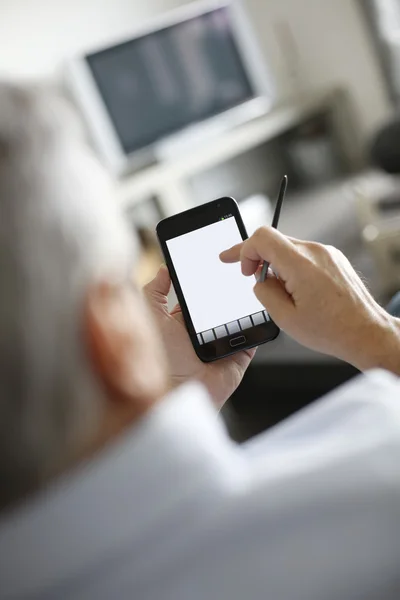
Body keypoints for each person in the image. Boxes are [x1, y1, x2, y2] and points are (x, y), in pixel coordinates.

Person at [0, 82, 399, 600]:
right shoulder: (378, 469)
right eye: (124, 283)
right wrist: (376, 335)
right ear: (112, 333)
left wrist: (169, 396)